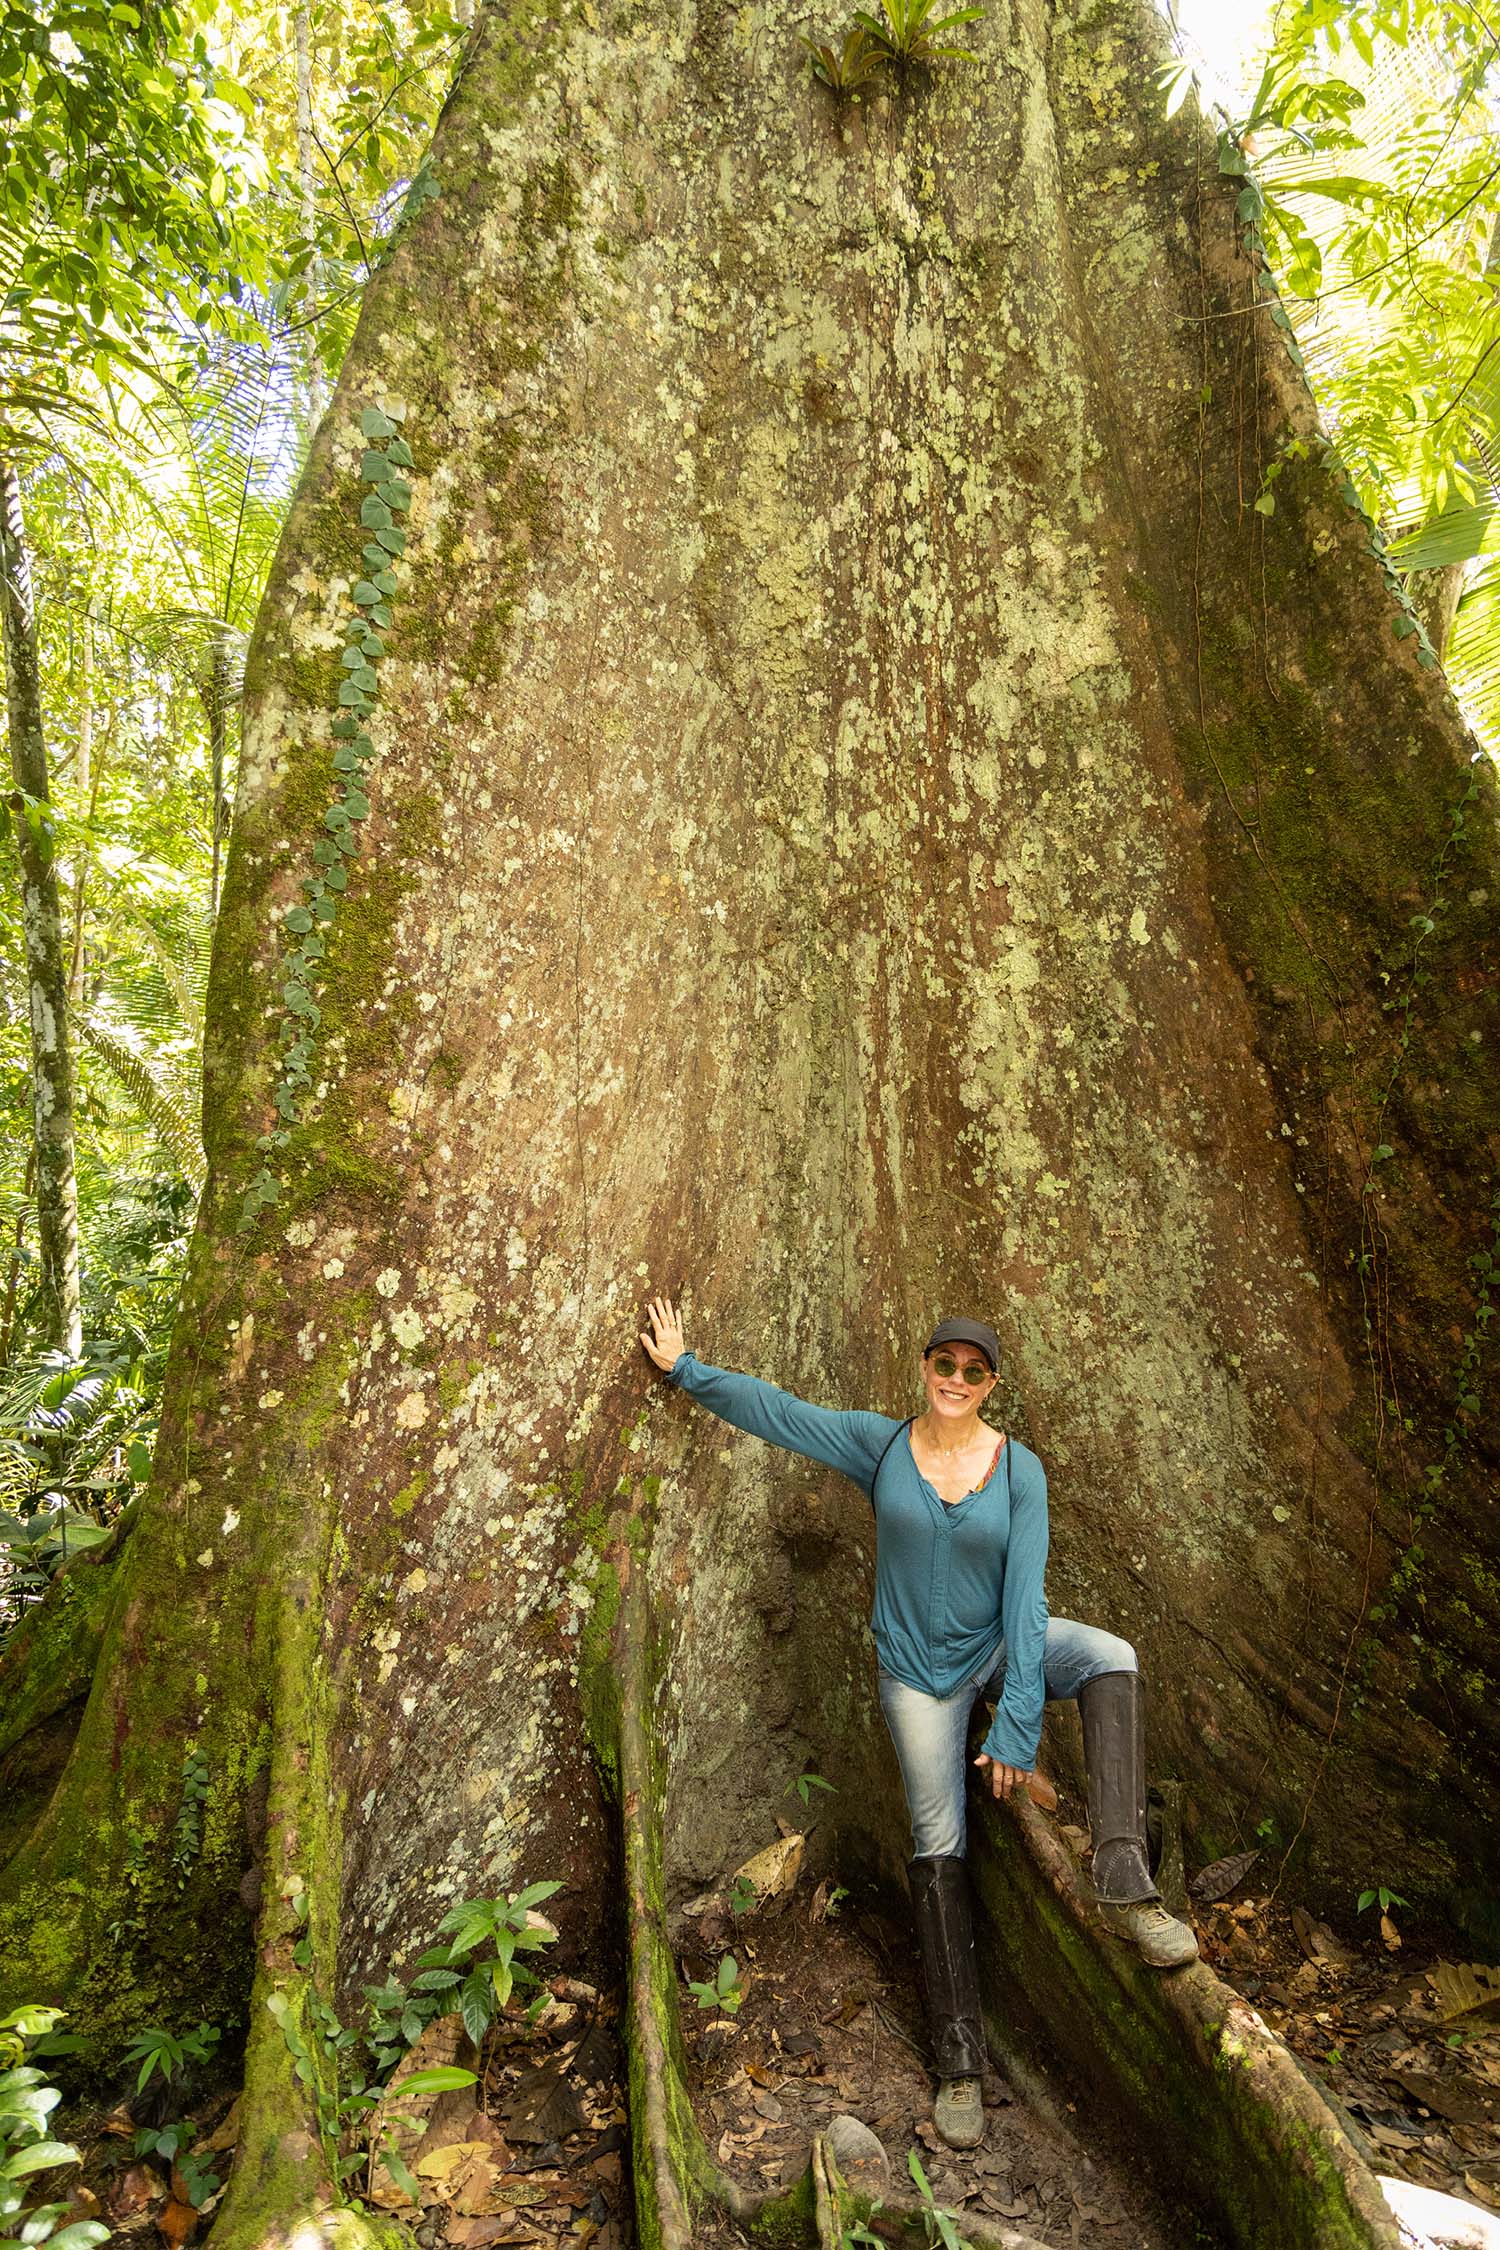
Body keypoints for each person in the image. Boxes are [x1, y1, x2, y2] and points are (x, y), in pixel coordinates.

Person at [638, 1295, 1198, 2152]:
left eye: (975, 1371)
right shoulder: (881, 1445)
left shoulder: (1020, 1471)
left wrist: (1015, 1725)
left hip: (998, 1648)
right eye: (946, 1364)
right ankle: (959, 2062)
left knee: (1112, 1655)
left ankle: (1126, 1884)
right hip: (916, 1680)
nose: (957, 1380)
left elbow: (1027, 1601)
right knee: (940, 1837)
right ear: (927, 1367)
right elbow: (783, 1413)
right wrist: (686, 1369)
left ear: (990, 1384)